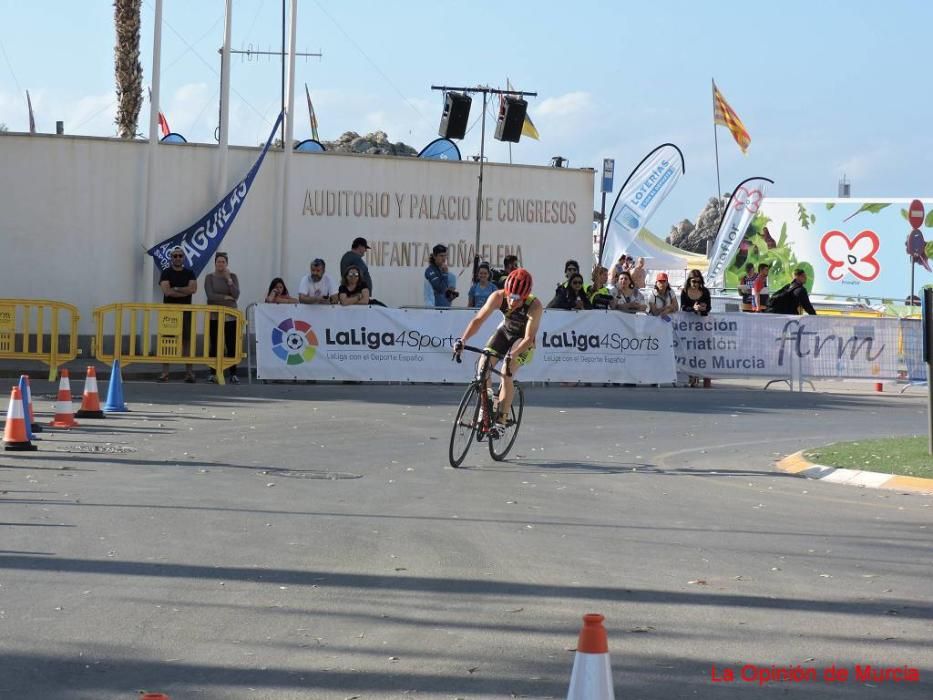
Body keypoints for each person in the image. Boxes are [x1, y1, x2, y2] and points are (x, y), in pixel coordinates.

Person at [455, 268, 542, 426]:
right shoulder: (498, 296)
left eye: (517, 298)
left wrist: (513, 354)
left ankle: (502, 420)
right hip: (505, 332)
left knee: (506, 372)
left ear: (525, 296)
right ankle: (486, 406)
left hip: (523, 341)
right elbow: (478, 320)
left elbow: (529, 337)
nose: (512, 302)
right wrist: (463, 340)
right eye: (510, 296)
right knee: (483, 365)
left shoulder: (534, 306)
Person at [158, 246, 197, 383]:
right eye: (175, 256)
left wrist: (176, 288)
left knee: (187, 341)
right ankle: (165, 373)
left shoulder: (190, 272)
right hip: (169, 311)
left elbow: (193, 289)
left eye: (180, 256)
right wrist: (183, 291)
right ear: (171, 258)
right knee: (167, 341)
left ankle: (189, 373)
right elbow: (167, 292)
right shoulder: (166, 273)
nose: (178, 258)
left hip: (186, 311)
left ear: (184, 258)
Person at [203, 251, 241, 384]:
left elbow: (235, 295)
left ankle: (233, 373)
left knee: (231, 344)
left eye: (223, 262)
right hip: (214, 316)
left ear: (227, 264)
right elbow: (210, 296)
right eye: (218, 261)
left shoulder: (233, 277)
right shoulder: (209, 277)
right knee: (214, 344)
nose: (220, 264)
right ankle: (212, 373)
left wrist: (229, 280)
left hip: (231, 316)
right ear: (215, 263)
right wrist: (226, 297)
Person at [681, 270, 712, 388]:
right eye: (694, 281)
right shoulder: (685, 292)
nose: (696, 284)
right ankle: (692, 376)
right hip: (688, 326)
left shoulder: (705, 292)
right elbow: (683, 307)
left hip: (703, 324)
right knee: (690, 352)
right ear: (689, 281)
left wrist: (703, 308)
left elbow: (709, 307)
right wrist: (693, 308)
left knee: (703, 352)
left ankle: (704, 376)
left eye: (698, 282)